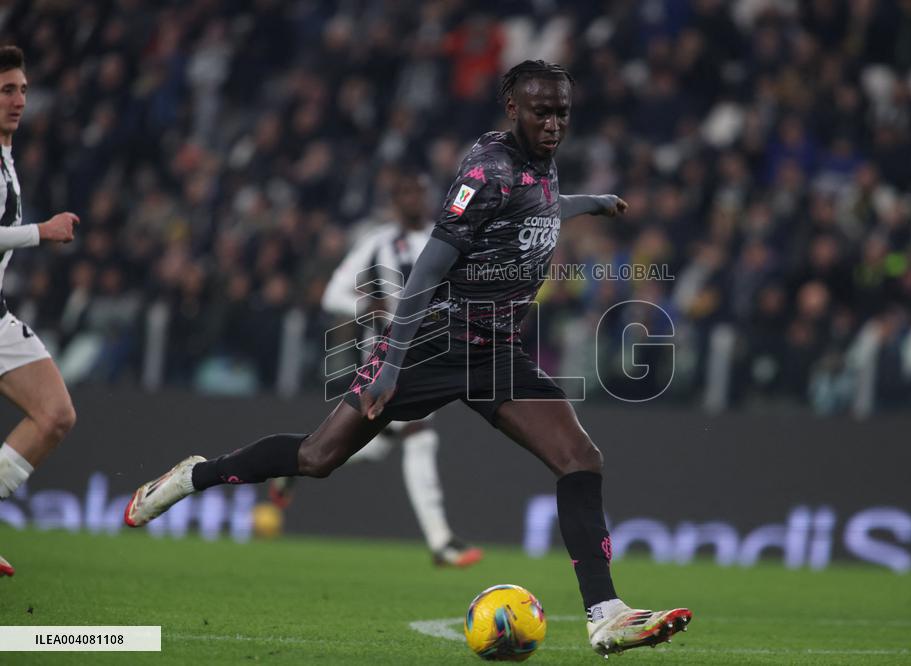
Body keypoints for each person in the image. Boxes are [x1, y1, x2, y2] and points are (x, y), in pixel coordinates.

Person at [125, 60, 692, 655]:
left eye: (561, 112)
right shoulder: (488, 170)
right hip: (431, 344)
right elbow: (427, 266)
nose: (553, 123)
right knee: (317, 458)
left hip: (495, 352)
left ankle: (605, 614)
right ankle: (194, 475)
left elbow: (537, 206)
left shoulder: (540, 167)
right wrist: (393, 363)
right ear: (512, 108)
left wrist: (591, 203)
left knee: (580, 458)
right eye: (540, 111)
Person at [269, 171, 483, 567]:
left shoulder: (448, 238)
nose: (412, 198)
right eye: (404, 192)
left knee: (376, 443)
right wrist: (370, 307)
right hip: (389, 356)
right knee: (419, 434)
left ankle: (297, 462)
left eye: (417, 190)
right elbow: (333, 293)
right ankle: (441, 542)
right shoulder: (377, 243)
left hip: (435, 352)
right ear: (393, 201)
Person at [0, 46, 80, 578]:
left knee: (55, 414)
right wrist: (40, 232)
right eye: (8, 89)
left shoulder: (6, 155)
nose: (19, 99)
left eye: (24, 89)